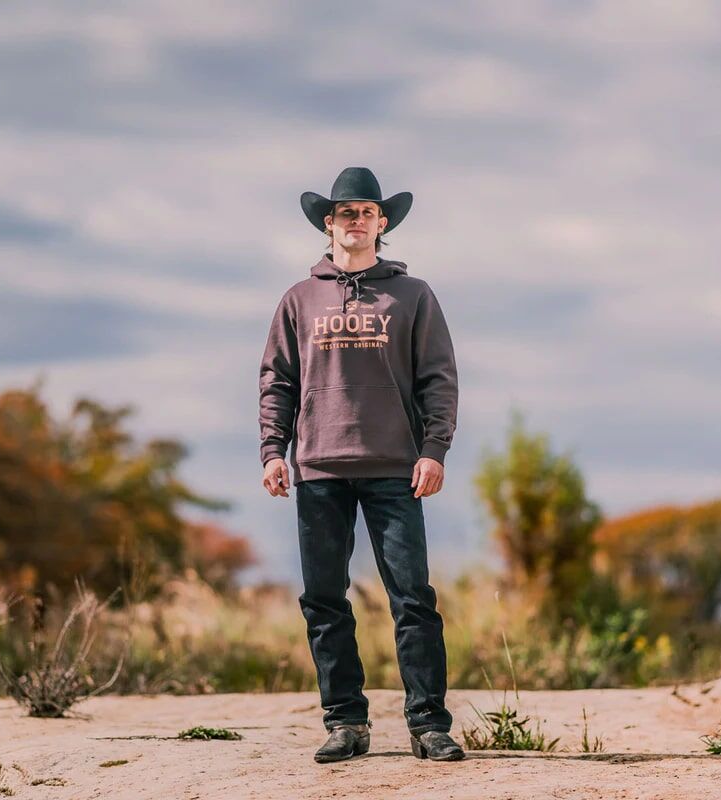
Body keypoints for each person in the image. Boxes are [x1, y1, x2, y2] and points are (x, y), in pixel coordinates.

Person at [258, 166, 464, 763]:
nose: (356, 221)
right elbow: (277, 380)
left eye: (367, 212)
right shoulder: (299, 299)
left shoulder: (413, 295)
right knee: (323, 598)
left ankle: (429, 725)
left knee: (412, 598)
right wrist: (274, 451)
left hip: (396, 467)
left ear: (382, 223)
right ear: (329, 224)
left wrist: (434, 449)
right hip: (319, 465)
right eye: (346, 212)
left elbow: (439, 378)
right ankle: (345, 723)